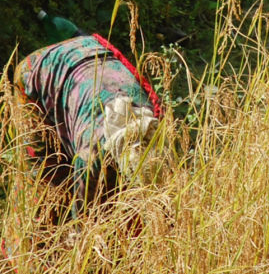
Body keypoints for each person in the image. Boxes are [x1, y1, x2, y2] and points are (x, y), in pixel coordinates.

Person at [11, 33, 164, 221]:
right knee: (48, 192)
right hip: (39, 72)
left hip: (90, 56)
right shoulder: (93, 157)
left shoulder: (157, 130)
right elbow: (84, 223)